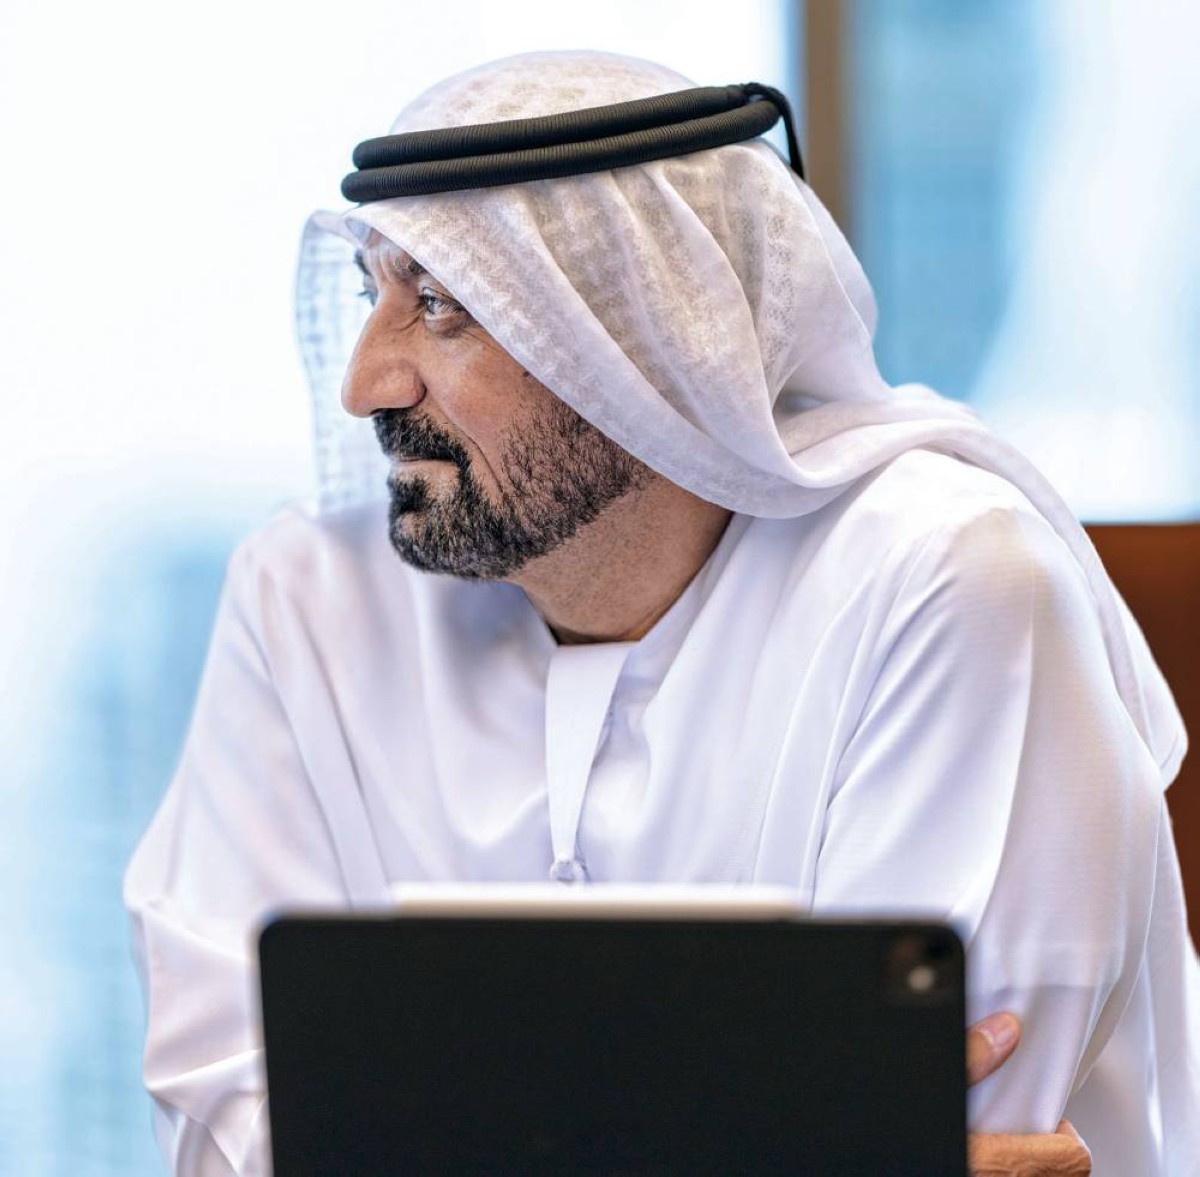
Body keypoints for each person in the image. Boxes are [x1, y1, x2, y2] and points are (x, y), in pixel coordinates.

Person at [124, 50, 1197, 1174]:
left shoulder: (947, 581)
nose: (367, 384)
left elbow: (972, 1134)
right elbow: (224, 1122)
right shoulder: (306, 597)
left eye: (439, 306)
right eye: (373, 294)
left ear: (641, 340)